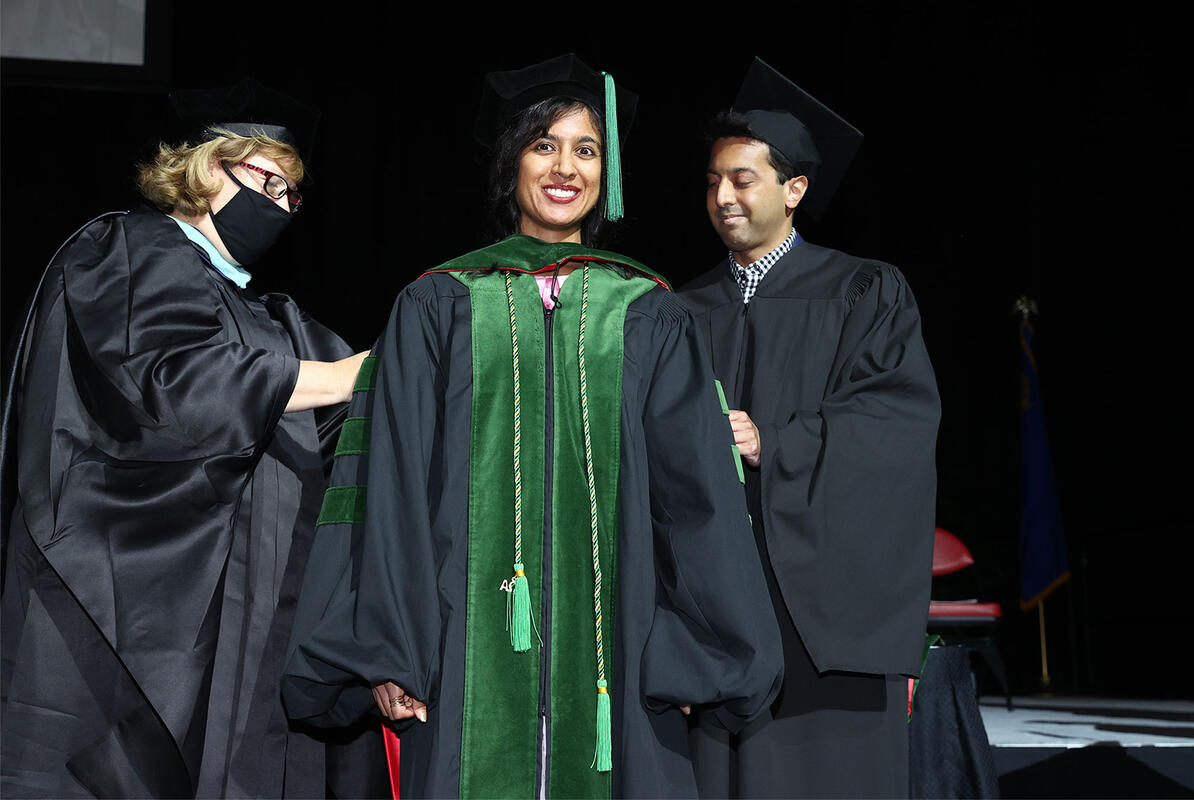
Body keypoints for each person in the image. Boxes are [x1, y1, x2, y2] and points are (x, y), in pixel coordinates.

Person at [282, 54, 784, 799]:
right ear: (510, 162)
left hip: (621, 655)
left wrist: (697, 655)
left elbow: (695, 498)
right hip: (458, 648)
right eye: (544, 145)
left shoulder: (648, 311)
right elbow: (389, 489)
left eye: (587, 150)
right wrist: (389, 650)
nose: (565, 168)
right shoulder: (437, 305)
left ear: (607, 172)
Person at [0, 80, 371, 798]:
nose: (281, 206)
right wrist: (344, 376)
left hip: (240, 636)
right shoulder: (129, 249)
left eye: (293, 194)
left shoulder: (273, 318)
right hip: (120, 618)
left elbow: (342, 430)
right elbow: (173, 384)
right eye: (267, 182)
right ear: (205, 167)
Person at [679, 58, 941, 798]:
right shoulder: (678, 311)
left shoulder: (863, 290)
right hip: (716, 605)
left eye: (742, 179)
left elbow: (895, 423)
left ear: (794, 190)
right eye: (713, 180)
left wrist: (774, 442)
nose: (722, 196)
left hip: (822, 608)